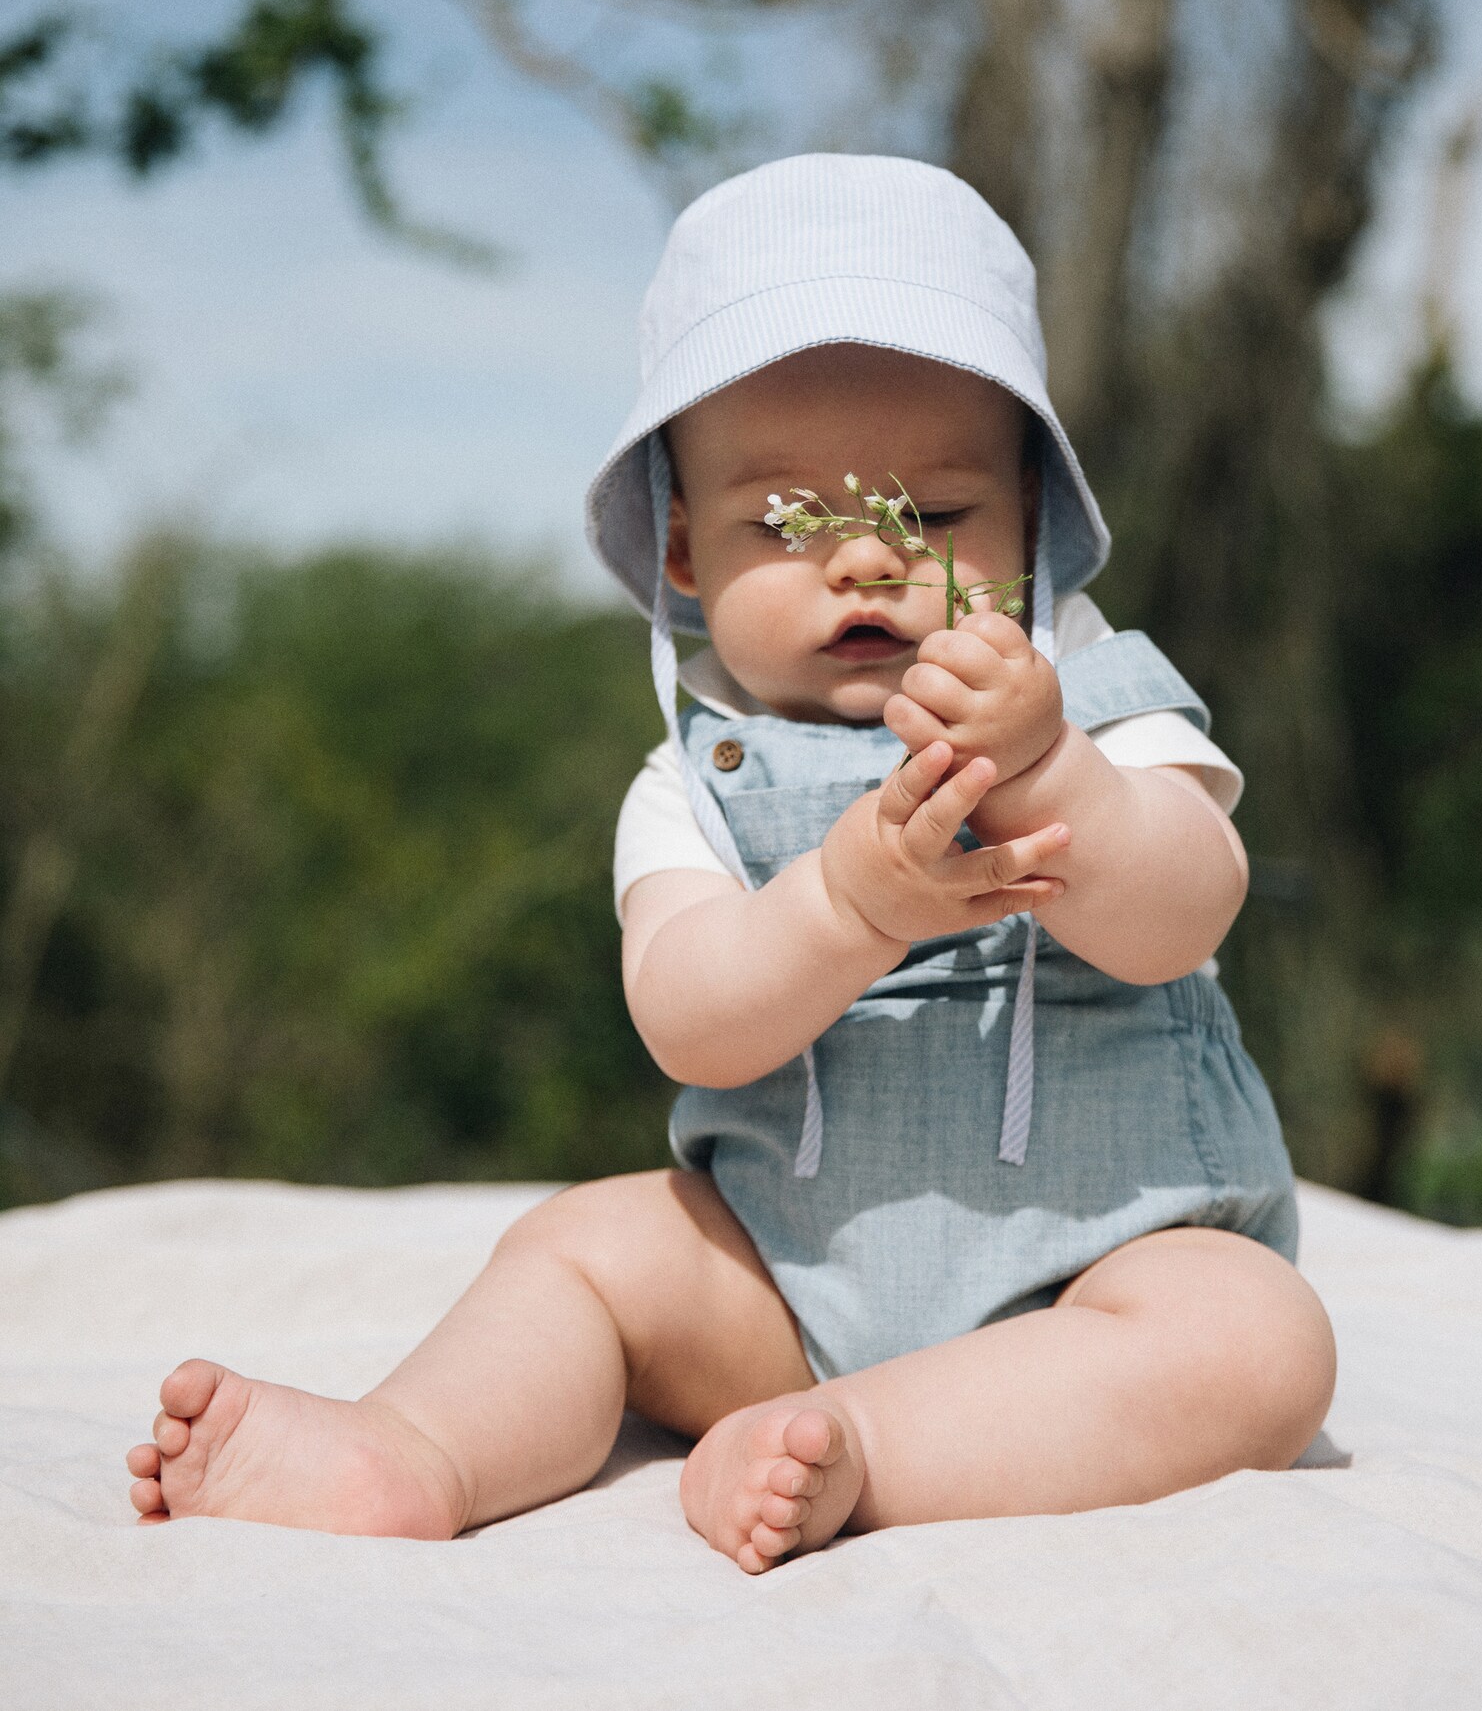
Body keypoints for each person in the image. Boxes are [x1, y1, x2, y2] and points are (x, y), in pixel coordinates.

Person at [125, 155, 1335, 1572]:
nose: (871, 562)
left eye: (937, 515)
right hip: (780, 1279)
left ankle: (867, 1447)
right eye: (786, 521)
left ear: (1033, 527)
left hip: (1101, 1266)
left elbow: (1187, 910)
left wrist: (1053, 771)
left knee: (1259, 1338)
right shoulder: (691, 779)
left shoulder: (1097, 699)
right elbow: (691, 1014)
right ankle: (415, 1451)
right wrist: (845, 902)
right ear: (686, 550)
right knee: (586, 1248)